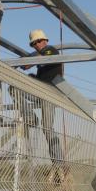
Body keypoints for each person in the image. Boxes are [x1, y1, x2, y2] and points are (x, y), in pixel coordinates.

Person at [26, 29, 65, 181]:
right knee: (14, 88)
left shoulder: (51, 51)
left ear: (44, 40)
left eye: (36, 42)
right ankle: (30, 116)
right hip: (40, 92)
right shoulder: (41, 59)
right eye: (33, 44)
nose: (35, 45)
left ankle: (58, 163)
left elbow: (45, 58)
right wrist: (33, 76)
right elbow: (43, 74)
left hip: (49, 94)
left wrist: (29, 61)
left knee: (47, 128)